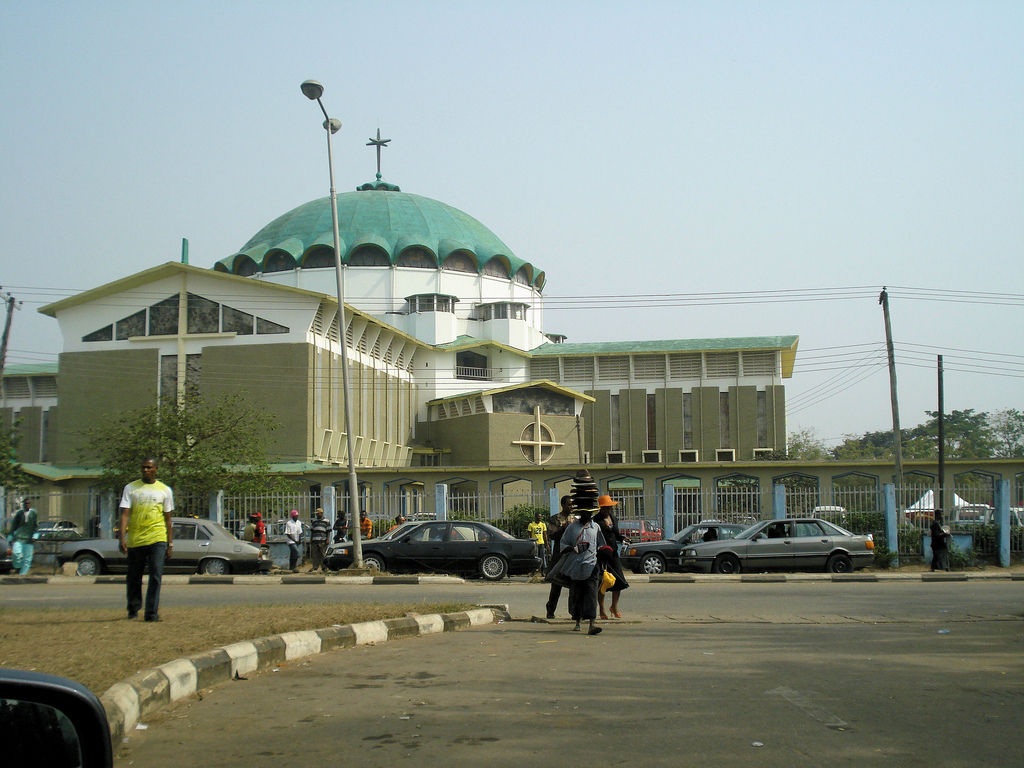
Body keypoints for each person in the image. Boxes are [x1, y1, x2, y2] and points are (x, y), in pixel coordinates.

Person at [118, 458, 174, 622]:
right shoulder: (131, 488)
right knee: (134, 576)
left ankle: (151, 613)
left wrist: (170, 543)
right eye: (143, 467)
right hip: (136, 539)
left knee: (156, 574)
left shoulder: (164, 490)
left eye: (149, 467)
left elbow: (168, 519)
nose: (145, 470)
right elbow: (125, 514)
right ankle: (133, 608)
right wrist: (122, 537)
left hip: (158, 537)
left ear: (156, 469)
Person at [560, 503, 603, 635]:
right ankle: (577, 621)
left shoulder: (596, 527)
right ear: (581, 514)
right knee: (577, 595)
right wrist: (573, 549)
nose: (588, 515)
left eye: (589, 513)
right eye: (585, 513)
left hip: (592, 564)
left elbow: (601, 544)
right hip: (576, 566)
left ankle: (591, 624)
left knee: (591, 594)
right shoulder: (572, 528)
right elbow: (563, 545)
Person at [593, 495, 629, 619]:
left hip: (613, 553)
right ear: (601, 508)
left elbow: (616, 534)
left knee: (619, 581)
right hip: (602, 555)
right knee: (602, 582)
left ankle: (614, 607)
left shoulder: (613, 518)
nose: (608, 510)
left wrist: (623, 538)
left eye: (609, 508)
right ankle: (602, 609)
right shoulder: (595, 520)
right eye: (605, 508)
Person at [544, 495, 576, 619]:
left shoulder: (575, 518)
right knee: (556, 584)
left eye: (572, 504)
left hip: (572, 555)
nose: (571, 507)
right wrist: (563, 528)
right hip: (559, 554)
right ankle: (550, 610)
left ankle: (573, 612)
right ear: (563, 505)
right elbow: (552, 535)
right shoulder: (555, 519)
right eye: (569, 504)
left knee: (573, 585)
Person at [6, 498, 39, 575]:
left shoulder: (33, 513)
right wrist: (10, 536)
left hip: (29, 539)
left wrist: (35, 536)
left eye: (28, 503)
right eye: (25, 503)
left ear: (30, 504)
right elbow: (14, 525)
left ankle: (22, 575)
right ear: (23, 504)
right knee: (16, 553)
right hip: (19, 538)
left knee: (27, 559)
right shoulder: (19, 513)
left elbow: (36, 526)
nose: (27, 505)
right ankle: (18, 567)